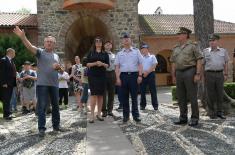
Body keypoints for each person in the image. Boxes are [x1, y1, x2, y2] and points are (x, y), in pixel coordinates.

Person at [13, 26, 62, 137]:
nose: (49, 43)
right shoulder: (40, 52)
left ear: (54, 44)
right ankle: (41, 129)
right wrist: (23, 37)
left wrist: (59, 68)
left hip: (54, 84)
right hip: (42, 84)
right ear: (44, 43)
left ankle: (56, 126)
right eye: (47, 41)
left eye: (51, 42)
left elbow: (61, 70)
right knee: (42, 107)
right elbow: (30, 47)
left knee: (56, 106)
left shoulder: (56, 56)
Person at [170, 27, 203, 126]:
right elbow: (173, 62)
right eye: (178, 34)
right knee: (181, 97)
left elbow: (199, 59)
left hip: (190, 71)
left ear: (185, 35)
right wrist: (173, 75)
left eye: (180, 34)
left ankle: (194, 118)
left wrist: (197, 74)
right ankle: (183, 117)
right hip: (179, 73)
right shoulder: (176, 48)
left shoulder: (193, 46)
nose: (178, 36)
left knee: (192, 96)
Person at [115, 32, 143, 123]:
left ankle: (136, 116)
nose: (126, 39)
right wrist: (118, 78)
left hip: (134, 76)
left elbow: (140, 64)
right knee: (124, 97)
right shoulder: (119, 54)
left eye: (127, 38)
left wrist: (140, 75)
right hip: (123, 76)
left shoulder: (136, 51)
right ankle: (126, 116)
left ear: (130, 40)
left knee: (134, 97)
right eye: (124, 38)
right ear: (122, 41)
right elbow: (117, 67)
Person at [202, 34, 229, 119]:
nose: (212, 42)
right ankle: (211, 113)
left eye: (213, 40)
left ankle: (220, 112)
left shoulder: (223, 51)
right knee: (210, 94)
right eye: (210, 41)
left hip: (219, 74)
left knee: (220, 94)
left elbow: (226, 63)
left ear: (217, 41)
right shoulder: (205, 51)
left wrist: (225, 74)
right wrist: (203, 76)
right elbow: (202, 64)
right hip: (209, 74)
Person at [87, 37, 109, 123]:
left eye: (100, 41)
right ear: (95, 43)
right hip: (93, 76)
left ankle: (99, 114)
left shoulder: (105, 54)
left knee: (101, 95)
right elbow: (87, 64)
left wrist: (102, 63)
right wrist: (95, 63)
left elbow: (108, 65)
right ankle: (92, 115)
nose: (98, 43)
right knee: (93, 95)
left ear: (102, 43)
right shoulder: (91, 53)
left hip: (102, 76)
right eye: (97, 41)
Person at [140, 44, 159, 110]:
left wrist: (147, 72)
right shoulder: (141, 58)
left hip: (151, 74)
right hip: (142, 75)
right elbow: (139, 66)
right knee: (142, 91)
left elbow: (154, 65)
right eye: (142, 49)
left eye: (144, 49)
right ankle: (142, 105)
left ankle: (155, 105)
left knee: (153, 90)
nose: (143, 50)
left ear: (147, 49)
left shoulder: (152, 56)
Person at [0, 48, 16, 120]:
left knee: (8, 99)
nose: (15, 54)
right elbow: (2, 73)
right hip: (6, 84)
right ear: (10, 53)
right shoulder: (3, 60)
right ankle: (6, 115)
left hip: (10, 84)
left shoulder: (11, 61)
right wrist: (3, 83)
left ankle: (8, 112)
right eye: (14, 53)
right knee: (6, 99)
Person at [102, 40, 116, 117]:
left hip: (112, 73)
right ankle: (104, 111)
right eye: (106, 44)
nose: (108, 45)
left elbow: (116, 65)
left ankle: (110, 110)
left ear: (111, 46)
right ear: (104, 46)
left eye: (109, 44)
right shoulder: (102, 54)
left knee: (112, 93)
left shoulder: (114, 55)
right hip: (104, 73)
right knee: (104, 93)